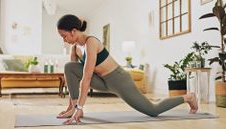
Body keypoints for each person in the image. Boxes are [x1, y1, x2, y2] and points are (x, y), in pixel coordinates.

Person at [56, 14, 198, 124]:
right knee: (69, 67)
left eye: (64, 36)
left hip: (119, 80)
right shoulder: (74, 48)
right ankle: (72, 109)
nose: (64, 40)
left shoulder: (90, 42)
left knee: (153, 110)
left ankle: (188, 97)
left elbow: (86, 78)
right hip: (102, 81)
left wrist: (80, 108)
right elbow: (72, 78)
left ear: (74, 31)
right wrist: (73, 107)